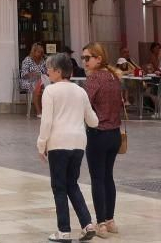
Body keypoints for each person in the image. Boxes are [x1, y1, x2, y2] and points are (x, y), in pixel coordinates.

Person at [37, 52, 100, 242]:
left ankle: (63, 231)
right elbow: (93, 121)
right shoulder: (80, 91)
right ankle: (87, 223)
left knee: (59, 187)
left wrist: (41, 144)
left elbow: (46, 121)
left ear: (57, 71)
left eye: (49, 69)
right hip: (78, 143)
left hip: (58, 143)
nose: (47, 72)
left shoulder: (50, 91)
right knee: (72, 184)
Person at [81, 43, 125, 238]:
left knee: (97, 178)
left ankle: (100, 223)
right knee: (108, 177)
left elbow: (84, 104)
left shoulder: (94, 79)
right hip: (114, 134)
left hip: (98, 133)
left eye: (87, 58)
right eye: (83, 58)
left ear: (99, 58)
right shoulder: (114, 76)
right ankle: (110, 219)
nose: (85, 62)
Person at [21, 42, 50, 115]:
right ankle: (38, 112)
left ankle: (46, 110)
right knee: (37, 84)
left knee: (42, 84)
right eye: (38, 52)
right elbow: (24, 74)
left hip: (41, 81)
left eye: (42, 52)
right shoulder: (27, 60)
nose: (40, 54)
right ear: (33, 52)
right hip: (27, 81)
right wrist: (34, 74)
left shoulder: (42, 60)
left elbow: (45, 72)